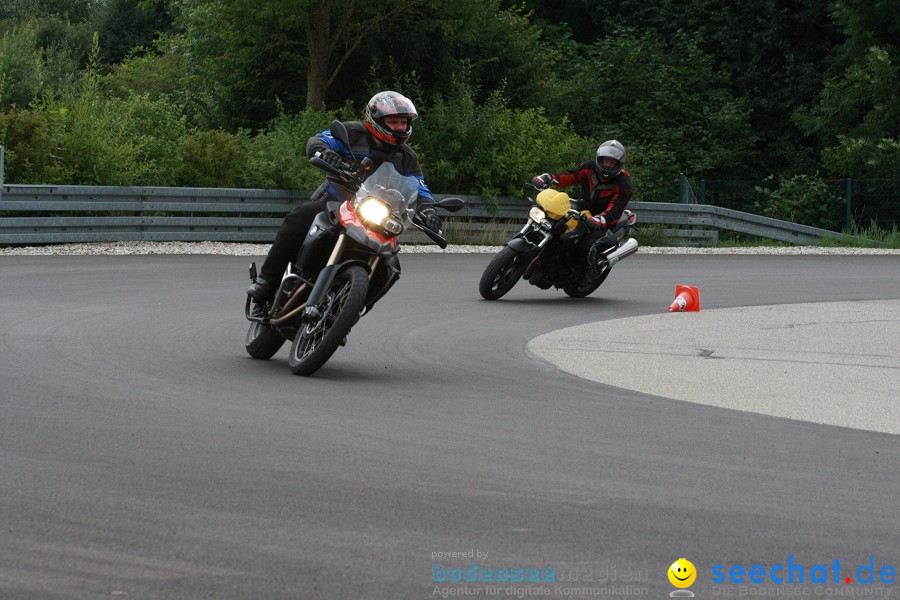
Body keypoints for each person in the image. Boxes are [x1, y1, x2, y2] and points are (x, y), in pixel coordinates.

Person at [247, 91, 440, 302]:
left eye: (403, 122)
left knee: (391, 268)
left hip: (375, 219)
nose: (400, 127)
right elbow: (319, 141)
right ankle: (267, 281)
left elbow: (420, 190)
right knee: (301, 216)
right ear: (375, 120)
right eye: (394, 122)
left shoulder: (408, 158)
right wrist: (327, 154)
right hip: (333, 204)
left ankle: (347, 312)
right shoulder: (352, 132)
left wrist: (429, 210)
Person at [531, 140, 632, 270]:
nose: (607, 165)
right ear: (599, 159)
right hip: (583, 206)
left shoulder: (623, 183)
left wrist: (600, 219)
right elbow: (570, 175)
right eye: (605, 161)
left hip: (603, 219)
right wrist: (549, 178)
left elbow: (617, 207)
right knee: (556, 222)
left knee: (587, 247)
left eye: (611, 162)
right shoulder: (590, 167)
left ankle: (588, 273)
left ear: (618, 164)